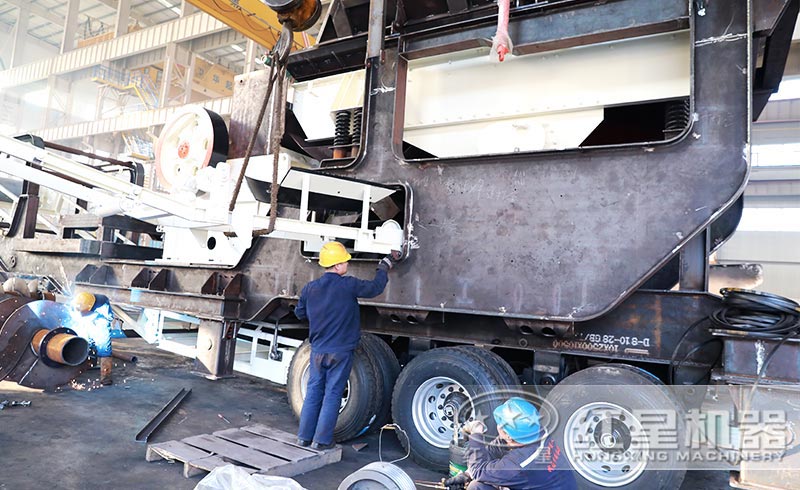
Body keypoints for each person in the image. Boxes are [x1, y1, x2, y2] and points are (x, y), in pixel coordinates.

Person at [294, 241, 400, 450]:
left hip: (317, 351)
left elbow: (300, 313)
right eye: (345, 262)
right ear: (337, 266)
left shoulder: (310, 288)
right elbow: (375, 288)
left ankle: (303, 437)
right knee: (333, 393)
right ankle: (321, 441)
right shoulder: (348, 285)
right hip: (340, 352)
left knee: (314, 392)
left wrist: (318, 316)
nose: (347, 265)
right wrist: (384, 265)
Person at [444, 397, 577, 490]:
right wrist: (467, 475)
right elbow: (495, 450)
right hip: (555, 484)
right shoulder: (534, 431)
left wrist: (476, 434)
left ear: (508, 434)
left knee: (477, 487)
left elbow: (479, 471)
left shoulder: (519, 463)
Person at [72, 291, 115, 385]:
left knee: (104, 348)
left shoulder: (102, 303)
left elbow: (109, 317)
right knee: (84, 341)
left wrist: (95, 318)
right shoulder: (79, 300)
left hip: (100, 321)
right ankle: (87, 364)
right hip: (85, 322)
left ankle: (105, 377)